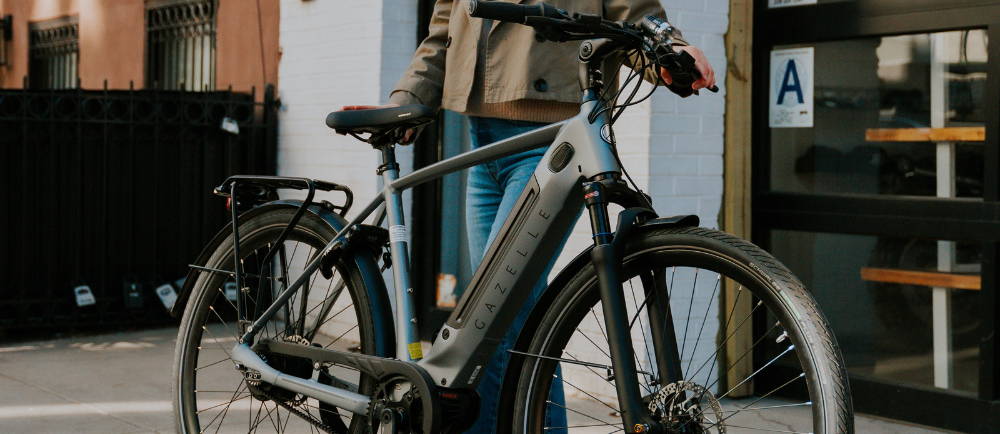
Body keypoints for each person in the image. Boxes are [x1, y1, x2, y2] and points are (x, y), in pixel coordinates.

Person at [342, 1, 716, 432]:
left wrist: (670, 49)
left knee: (504, 310)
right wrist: (408, 99)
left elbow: (632, 13)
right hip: (481, 139)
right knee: (490, 321)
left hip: (550, 136)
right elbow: (445, 31)